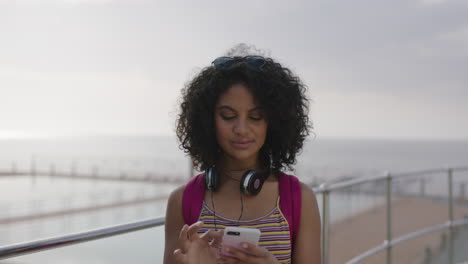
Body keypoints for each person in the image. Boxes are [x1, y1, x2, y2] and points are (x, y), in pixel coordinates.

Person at [164, 45, 321, 264]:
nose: (241, 129)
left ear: (274, 122)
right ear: (208, 121)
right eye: (228, 116)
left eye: (255, 117)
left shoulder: (300, 200)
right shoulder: (182, 201)